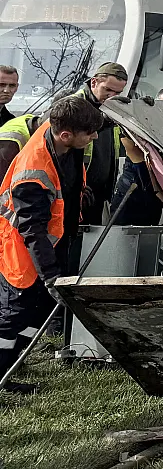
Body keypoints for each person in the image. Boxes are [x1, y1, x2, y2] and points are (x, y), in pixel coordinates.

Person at [0, 94, 101, 394]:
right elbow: (32, 231)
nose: (95, 137)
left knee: (40, 310)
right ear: (66, 135)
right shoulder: (33, 172)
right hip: (22, 250)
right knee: (13, 314)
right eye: (90, 133)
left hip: (51, 243)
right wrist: (51, 277)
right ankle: (2, 372)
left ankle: (14, 361)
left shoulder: (60, 134)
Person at [66, 62, 129, 226]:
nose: (112, 96)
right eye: (107, 90)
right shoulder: (74, 105)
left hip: (98, 192)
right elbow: (60, 151)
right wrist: (73, 186)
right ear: (94, 82)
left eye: (117, 92)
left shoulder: (112, 107)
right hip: (74, 191)